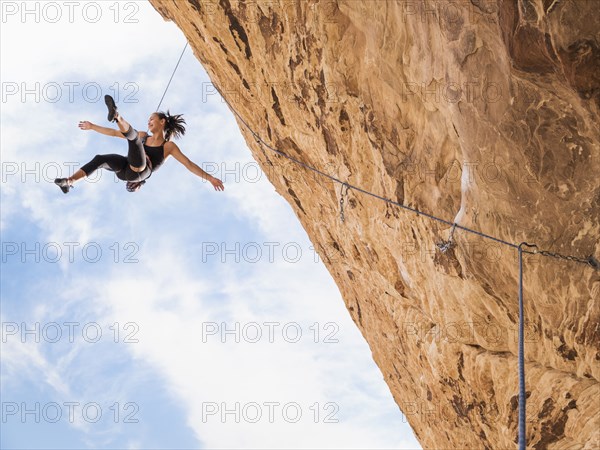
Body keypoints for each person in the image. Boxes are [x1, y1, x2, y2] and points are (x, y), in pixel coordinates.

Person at [54, 95, 225, 193]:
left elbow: (188, 164)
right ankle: (69, 182)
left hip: (139, 173)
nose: (149, 121)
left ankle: (117, 116)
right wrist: (92, 127)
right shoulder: (143, 135)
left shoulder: (168, 147)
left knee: (134, 138)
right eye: (149, 119)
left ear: (162, 121)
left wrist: (209, 178)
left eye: (152, 119)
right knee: (100, 159)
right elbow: (114, 133)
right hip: (125, 169)